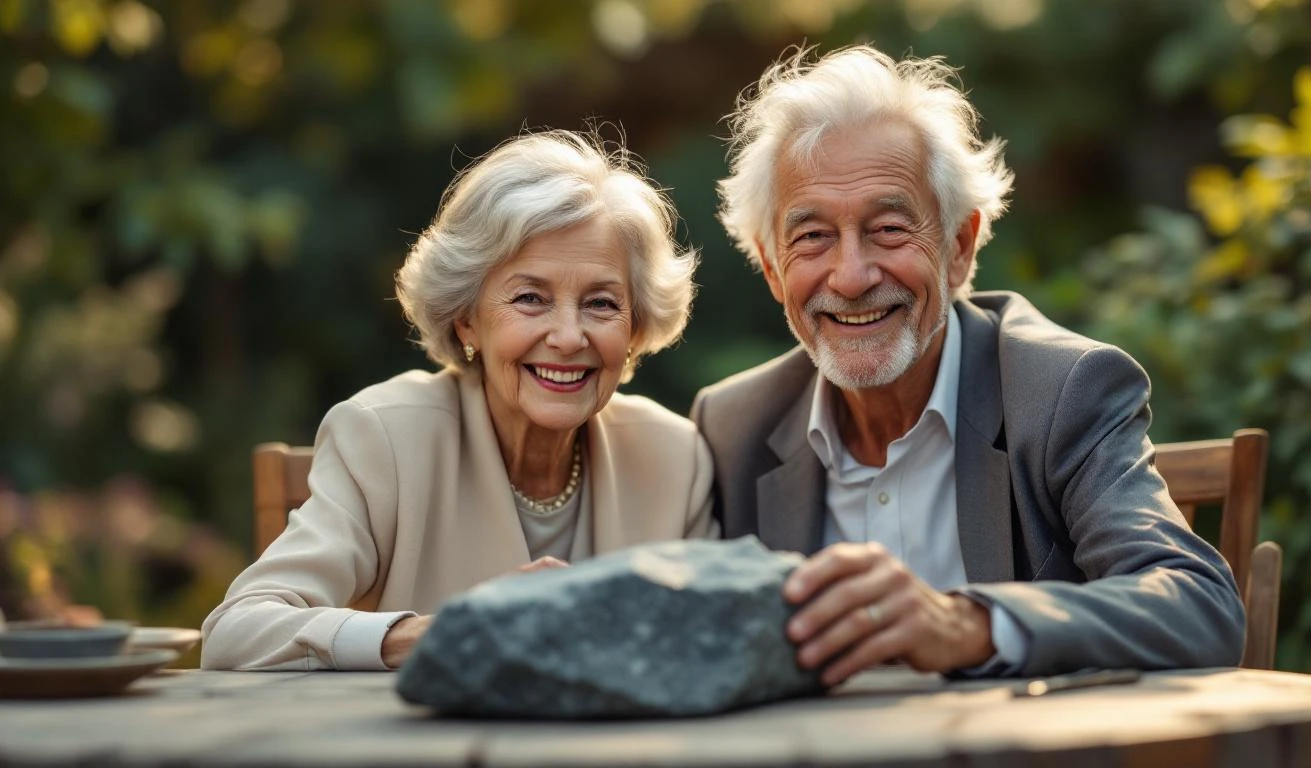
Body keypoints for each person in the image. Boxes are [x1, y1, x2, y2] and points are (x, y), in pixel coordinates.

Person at [692, 45, 1245, 683]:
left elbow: (1201, 607)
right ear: (771, 268)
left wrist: (967, 626)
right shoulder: (732, 428)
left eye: (890, 228)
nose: (849, 276)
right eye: (812, 236)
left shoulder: (1062, 391)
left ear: (958, 248)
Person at [203, 130, 718, 671]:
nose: (569, 336)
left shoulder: (675, 457)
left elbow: (718, 642)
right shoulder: (384, 439)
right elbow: (236, 633)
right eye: (530, 299)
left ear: (635, 328)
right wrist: (444, 633)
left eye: (601, 303)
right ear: (467, 318)